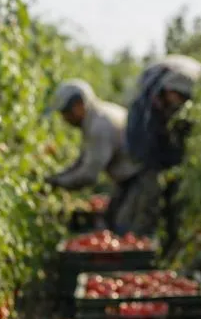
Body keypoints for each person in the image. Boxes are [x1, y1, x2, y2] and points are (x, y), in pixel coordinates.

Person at [124, 54, 201, 243]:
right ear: (166, 90)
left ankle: (172, 240)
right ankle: (141, 243)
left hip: (176, 152)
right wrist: (148, 170)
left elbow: (192, 140)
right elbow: (142, 142)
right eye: (175, 95)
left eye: (182, 97)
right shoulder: (146, 105)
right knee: (149, 195)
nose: (178, 100)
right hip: (150, 147)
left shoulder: (194, 100)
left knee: (176, 201)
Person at [45, 79, 141, 234]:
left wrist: (57, 183)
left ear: (79, 105)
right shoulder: (96, 117)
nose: (65, 119)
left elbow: (89, 174)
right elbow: (82, 162)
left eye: (66, 113)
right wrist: (57, 178)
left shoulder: (99, 127)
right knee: (113, 222)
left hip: (139, 178)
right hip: (129, 179)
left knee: (126, 230)